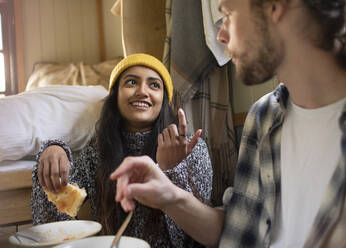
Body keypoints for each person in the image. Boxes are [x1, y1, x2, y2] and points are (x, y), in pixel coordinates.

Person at [110, 0, 346, 247]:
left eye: (227, 14)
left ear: (274, 6)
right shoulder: (264, 117)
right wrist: (170, 196)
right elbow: (238, 231)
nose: (221, 36)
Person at [31, 53, 213, 248]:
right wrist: (53, 150)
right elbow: (53, 224)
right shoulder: (96, 153)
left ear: (164, 100)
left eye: (154, 85)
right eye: (132, 82)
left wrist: (170, 171)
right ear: (115, 96)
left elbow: (194, 239)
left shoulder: (192, 148)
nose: (143, 91)